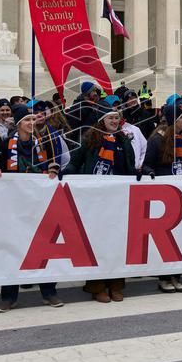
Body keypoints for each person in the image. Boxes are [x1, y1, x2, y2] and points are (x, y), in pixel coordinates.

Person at [0, 106, 65, 311]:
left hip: (37, 202)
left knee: (44, 246)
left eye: (33, 119)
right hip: (13, 203)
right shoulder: (6, 143)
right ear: (18, 124)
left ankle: (49, 292)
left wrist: (53, 169)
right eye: (27, 120)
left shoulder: (41, 143)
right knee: (13, 248)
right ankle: (9, 297)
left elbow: (53, 163)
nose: (32, 123)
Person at [63, 100, 138, 302]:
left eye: (117, 117)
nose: (115, 121)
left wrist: (142, 174)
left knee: (117, 242)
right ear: (101, 120)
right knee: (96, 242)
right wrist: (63, 174)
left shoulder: (124, 141)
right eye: (110, 118)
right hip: (94, 200)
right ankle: (96, 286)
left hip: (117, 199)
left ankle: (116, 284)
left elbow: (130, 167)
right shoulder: (89, 139)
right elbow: (75, 162)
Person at [142, 103, 182, 293]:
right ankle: (164, 277)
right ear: (173, 120)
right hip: (165, 195)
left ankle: (177, 275)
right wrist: (151, 173)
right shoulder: (157, 140)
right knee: (166, 239)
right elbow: (146, 164)